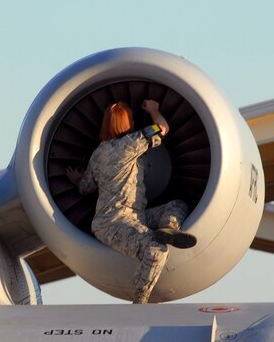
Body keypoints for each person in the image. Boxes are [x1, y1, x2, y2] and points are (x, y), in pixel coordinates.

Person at [66, 99, 196, 304]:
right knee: (156, 250)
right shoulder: (132, 142)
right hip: (114, 223)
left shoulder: (98, 154)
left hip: (134, 216)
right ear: (126, 124)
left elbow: (85, 188)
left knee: (177, 204)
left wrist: (76, 180)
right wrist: (154, 110)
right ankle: (141, 297)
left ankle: (168, 229)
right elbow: (162, 128)